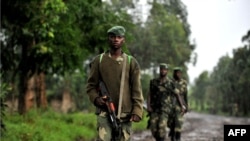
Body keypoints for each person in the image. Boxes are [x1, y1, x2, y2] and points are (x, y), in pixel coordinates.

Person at [86, 25, 144, 141]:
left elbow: (137, 89)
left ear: (124, 39)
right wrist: (96, 99)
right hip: (104, 112)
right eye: (113, 37)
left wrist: (137, 110)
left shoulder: (131, 62)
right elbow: (91, 86)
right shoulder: (99, 61)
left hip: (125, 114)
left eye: (119, 37)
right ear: (108, 39)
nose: (116, 39)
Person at [146, 63, 175, 141]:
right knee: (153, 128)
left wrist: (177, 106)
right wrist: (148, 106)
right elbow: (150, 94)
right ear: (159, 70)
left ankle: (161, 139)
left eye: (164, 70)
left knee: (161, 128)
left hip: (165, 110)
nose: (163, 71)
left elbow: (175, 95)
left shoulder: (171, 83)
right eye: (161, 69)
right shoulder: (153, 82)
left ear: (167, 71)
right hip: (154, 109)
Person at [168, 67, 188, 141]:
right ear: (174, 73)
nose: (178, 74)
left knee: (179, 122)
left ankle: (178, 138)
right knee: (171, 122)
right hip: (171, 104)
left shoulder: (184, 83)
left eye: (179, 73)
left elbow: (185, 95)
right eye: (176, 73)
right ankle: (172, 135)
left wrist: (186, 106)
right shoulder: (170, 82)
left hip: (180, 105)